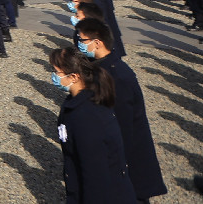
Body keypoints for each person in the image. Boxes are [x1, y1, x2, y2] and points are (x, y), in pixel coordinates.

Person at [78, 18, 166, 201]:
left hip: (128, 160)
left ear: (97, 42)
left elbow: (123, 125)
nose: (80, 44)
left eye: (82, 40)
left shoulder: (117, 77)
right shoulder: (101, 66)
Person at [49, 45, 138, 204]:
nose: (53, 76)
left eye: (57, 72)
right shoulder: (78, 101)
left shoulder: (87, 117)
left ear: (74, 77)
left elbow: (95, 176)